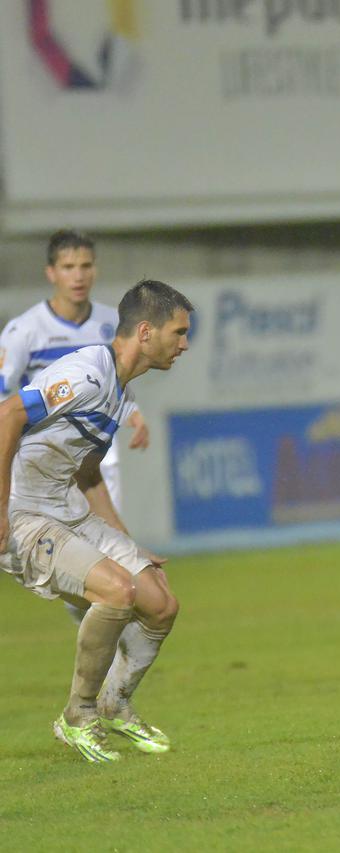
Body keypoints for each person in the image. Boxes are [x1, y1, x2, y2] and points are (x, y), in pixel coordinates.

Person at [0, 280, 192, 761]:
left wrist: (126, 542)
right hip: (26, 513)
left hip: (69, 509)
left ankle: (114, 705)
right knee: (117, 591)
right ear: (146, 332)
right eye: (179, 332)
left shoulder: (118, 390)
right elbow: (7, 415)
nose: (185, 343)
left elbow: (87, 475)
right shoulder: (87, 374)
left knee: (160, 602)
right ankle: (78, 715)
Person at [0, 230, 150, 512]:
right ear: (51, 273)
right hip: (42, 452)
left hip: (97, 449)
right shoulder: (25, 330)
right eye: (68, 267)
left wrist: (133, 413)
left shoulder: (113, 323)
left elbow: (118, 378)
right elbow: (3, 393)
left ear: (95, 269)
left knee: (108, 538)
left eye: (85, 266)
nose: (78, 276)